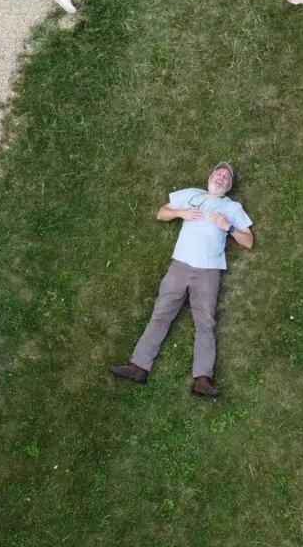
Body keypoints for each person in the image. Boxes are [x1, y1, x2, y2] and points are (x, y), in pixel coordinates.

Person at [108, 162, 253, 399]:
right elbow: (161, 213)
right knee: (161, 314)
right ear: (210, 177)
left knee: (205, 322)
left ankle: (202, 380)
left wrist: (228, 228)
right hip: (180, 266)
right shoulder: (190, 195)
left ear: (229, 186)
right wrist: (180, 213)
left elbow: (248, 241)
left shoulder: (232, 207)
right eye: (219, 173)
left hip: (209, 272)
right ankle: (139, 367)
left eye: (227, 177)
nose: (222, 177)